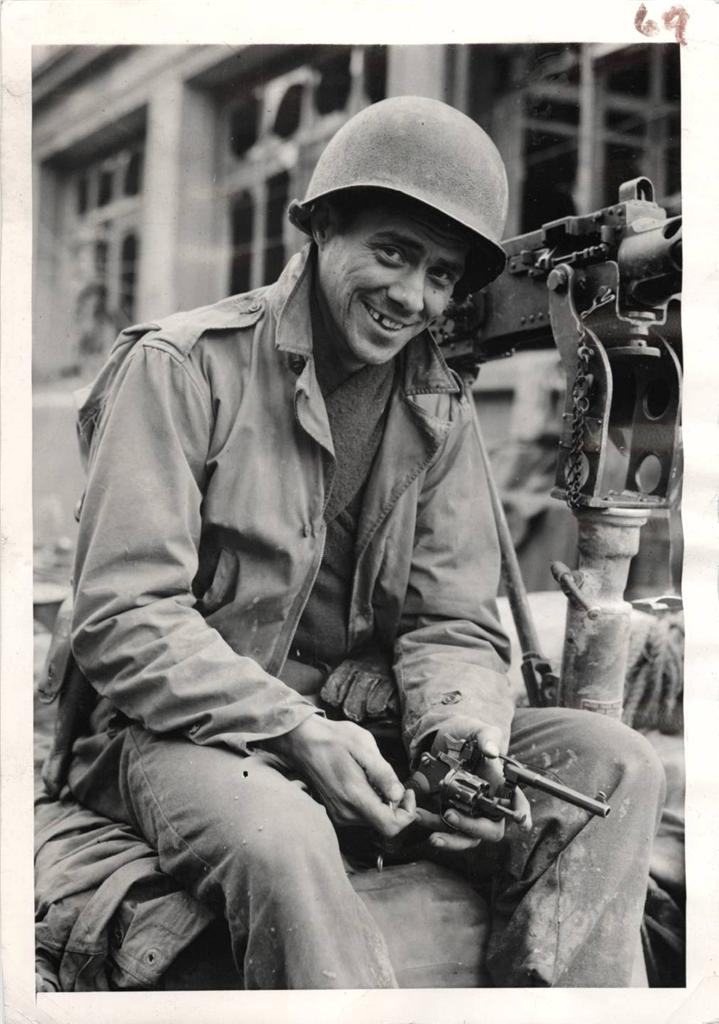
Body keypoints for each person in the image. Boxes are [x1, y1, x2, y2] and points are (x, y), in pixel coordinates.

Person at [39, 96, 665, 989]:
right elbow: (125, 616)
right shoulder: (182, 367)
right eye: (393, 253)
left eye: (441, 275)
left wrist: (458, 732)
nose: (412, 297)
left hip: (360, 729)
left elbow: (450, 619)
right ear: (322, 229)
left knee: (614, 767)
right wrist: (296, 730)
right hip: (174, 732)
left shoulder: (439, 407)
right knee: (281, 835)